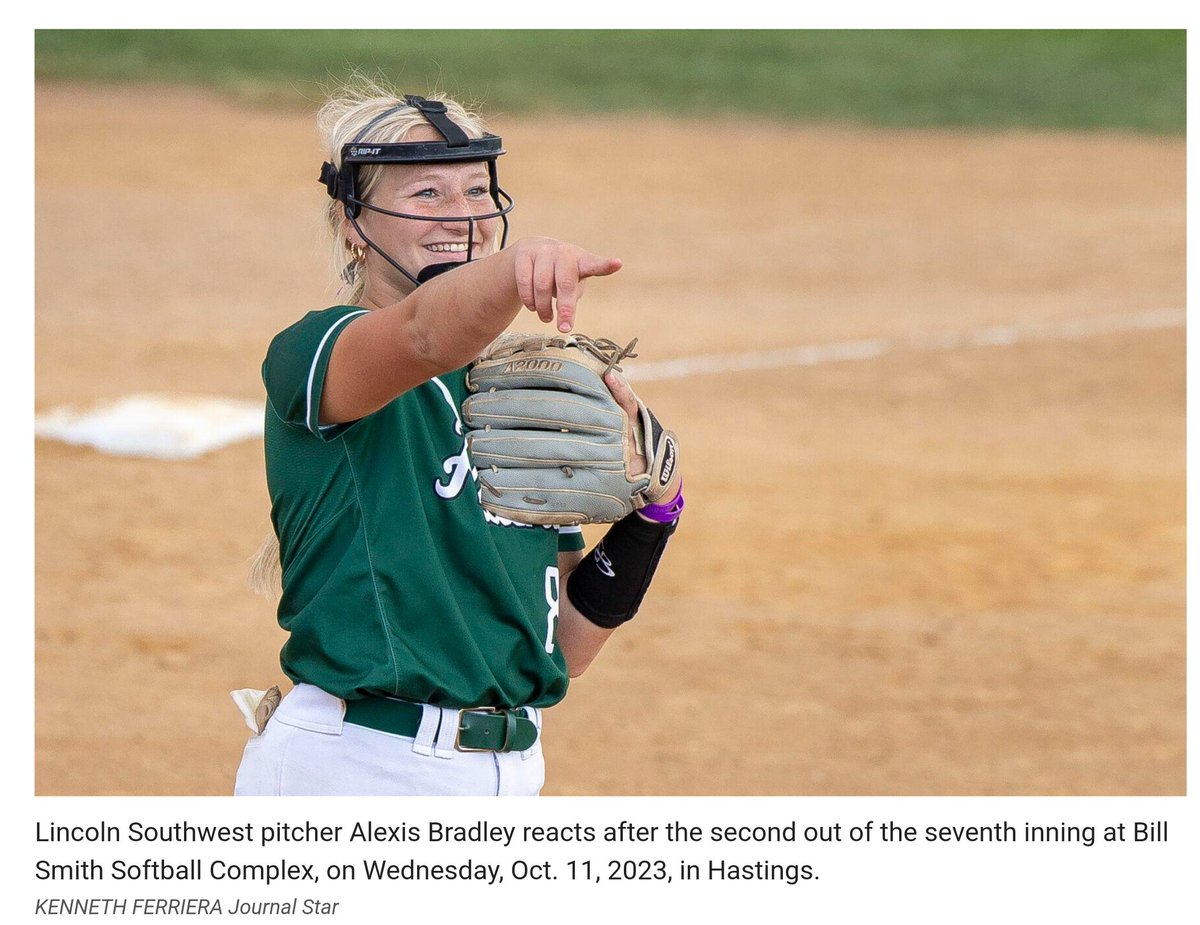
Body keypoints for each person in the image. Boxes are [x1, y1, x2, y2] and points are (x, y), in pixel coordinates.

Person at [233, 79, 682, 796]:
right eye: (427, 195)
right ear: (354, 221)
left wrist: (649, 523)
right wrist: (512, 269)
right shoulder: (317, 351)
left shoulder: (516, 402)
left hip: (508, 773)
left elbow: (560, 645)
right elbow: (422, 334)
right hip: (359, 772)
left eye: (476, 191)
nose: (463, 216)